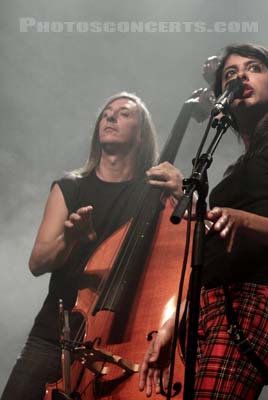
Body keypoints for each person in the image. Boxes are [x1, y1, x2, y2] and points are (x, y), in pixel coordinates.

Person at [139, 44, 268, 399]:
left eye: (254, 68)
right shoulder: (233, 170)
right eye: (231, 74)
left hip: (252, 299)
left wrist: (244, 220)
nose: (241, 76)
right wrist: (171, 326)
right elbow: (209, 255)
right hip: (204, 306)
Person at [1, 92, 185, 400]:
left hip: (120, 337)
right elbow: (38, 263)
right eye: (106, 113)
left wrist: (181, 193)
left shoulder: (154, 193)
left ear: (141, 134)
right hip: (54, 334)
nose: (111, 117)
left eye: (125, 113)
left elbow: (182, 255)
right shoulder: (70, 187)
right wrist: (71, 239)